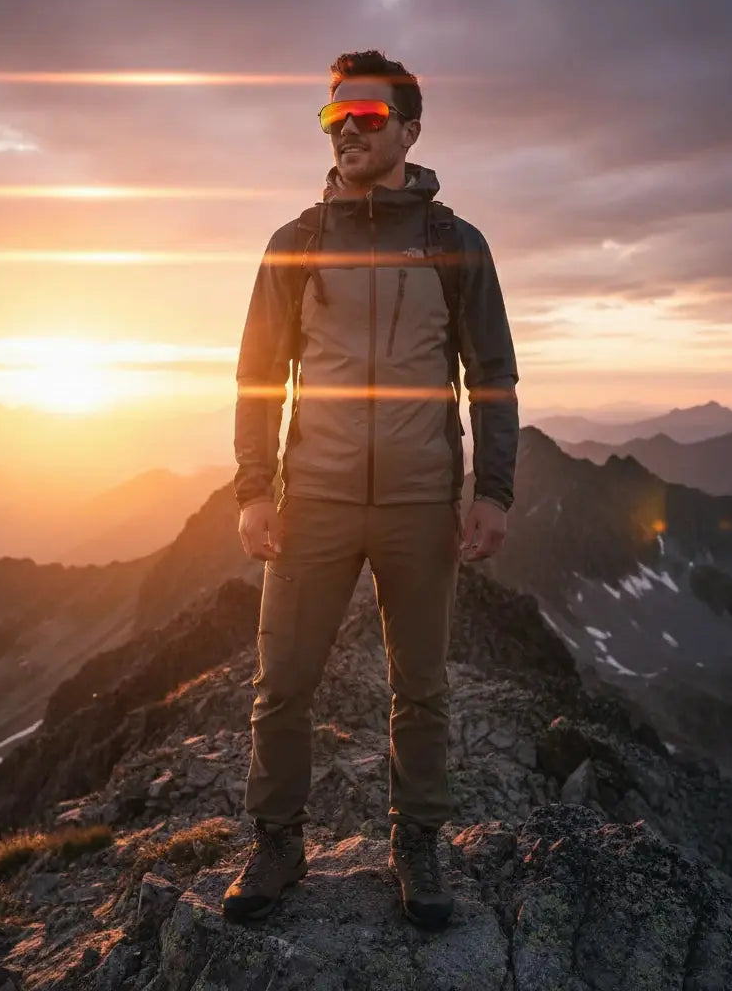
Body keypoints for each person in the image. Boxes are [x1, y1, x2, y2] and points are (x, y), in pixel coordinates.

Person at [222, 49, 519, 930]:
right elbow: (258, 378)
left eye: (368, 115)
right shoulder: (297, 241)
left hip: (423, 500)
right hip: (311, 496)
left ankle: (417, 846)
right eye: (334, 117)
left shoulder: (456, 243)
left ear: (411, 130)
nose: (348, 128)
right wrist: (252, 487)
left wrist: (492, 492)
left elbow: (492, 378)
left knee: (420, 685)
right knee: (282, 683)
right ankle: (277, 843)